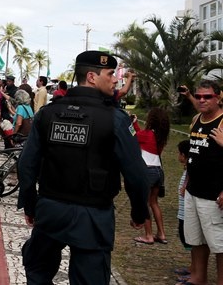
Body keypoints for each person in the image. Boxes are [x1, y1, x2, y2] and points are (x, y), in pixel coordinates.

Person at [17, 50, 150, 284]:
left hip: (51, 210)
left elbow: (26, 165)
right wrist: (139, 212)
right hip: (93, 216)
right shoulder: (115, 119)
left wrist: (30, 205)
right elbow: (136, 174)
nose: (116, 79)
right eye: (110, 74)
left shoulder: (48, 114)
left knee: (37, 271)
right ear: (91, 77)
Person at [182, 79, 223, 285]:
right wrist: (186, 181)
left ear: (219, 97)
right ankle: (198, 277)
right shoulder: (197, 118)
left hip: (214, 194)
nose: (201, 100)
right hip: (193, 189)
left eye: (207, 97)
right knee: (196, 239)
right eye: (198, 96)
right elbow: (194, 152)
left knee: (220, 243)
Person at [131, 108, 171, 245]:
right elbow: (139, 134)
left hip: (147, 171)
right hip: (158, 171)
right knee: (154, 202)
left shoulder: (146, 134)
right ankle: (161, 233)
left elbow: (134, 135)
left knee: (144, 203)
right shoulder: (160, 137)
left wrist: (130, 124)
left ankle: (148, 235)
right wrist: (135, 124)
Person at [175, 139, 193, 283]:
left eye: (179, 154)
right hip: (183, 211)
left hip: (187, 212)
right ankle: (193, 266)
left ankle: (195, 269)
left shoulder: (191, 171)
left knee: (191, 239)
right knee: (185, 236)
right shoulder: (187, 169)